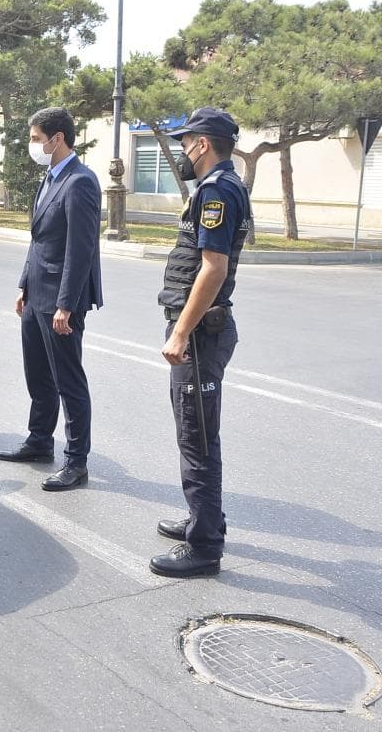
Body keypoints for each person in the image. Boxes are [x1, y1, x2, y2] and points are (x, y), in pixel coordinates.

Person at [150, 108, 252, 579]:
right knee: (195, 431)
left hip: (201, 336)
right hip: (203, 332)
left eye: (186, 141)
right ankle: (203, 519)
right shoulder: (222, 188)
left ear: (203, 144)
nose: (183, 149)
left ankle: (205, 547)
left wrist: (180, 332)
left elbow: (213, 268)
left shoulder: (217, 192)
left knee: (198, 438)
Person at [0, 107, 103, 493]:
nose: (33, 145)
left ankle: (76, 462)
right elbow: (39, 239)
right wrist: (24, 285)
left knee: (68, 380)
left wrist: (67, 305)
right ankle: (40, 440)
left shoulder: (80, 182)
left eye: (36, 138)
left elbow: (81, 249)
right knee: (38, 374)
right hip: (37, 291)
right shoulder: (50, 177)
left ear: (57, 139)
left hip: (61, 298)